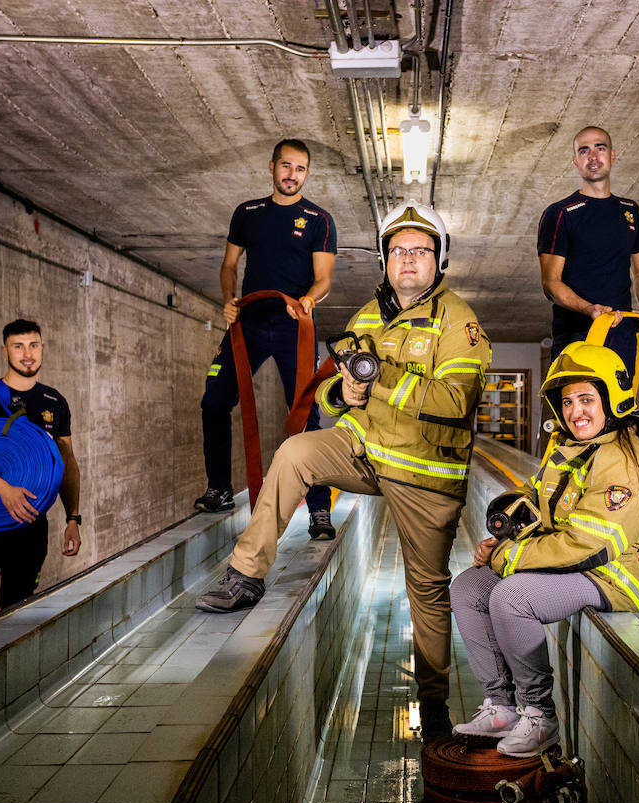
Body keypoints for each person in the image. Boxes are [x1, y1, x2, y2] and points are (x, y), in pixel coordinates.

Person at [196, 202, 491, 738]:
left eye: (419, 251)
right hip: (364, 449)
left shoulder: (459, 321)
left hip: (425, 473)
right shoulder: (367, 316)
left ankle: (436, 704)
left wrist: (375, 382)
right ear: (384, 260)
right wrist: (345, 389)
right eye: (397, 250)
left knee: (425, 588)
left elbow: (455, 400)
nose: (407, 259)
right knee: (296, 452)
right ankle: (246, 573)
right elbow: (332, 390)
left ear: (439, 260)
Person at [450, 342, 639, 756]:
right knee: (467, 589)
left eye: (587, 400)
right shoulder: (573, 444)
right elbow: (545, 499)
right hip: (583, 559)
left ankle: (540, 716)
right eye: (569, 401)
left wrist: (508, 557)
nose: (577, 411)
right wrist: (510, 525)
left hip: (619, 572)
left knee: (511, 596)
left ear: (612, 398)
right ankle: (501, 706)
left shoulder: (622, 458)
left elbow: (590, 546)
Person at [198, 138, 338, 541]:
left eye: (300, 169)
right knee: (214, 400)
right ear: (272, 166)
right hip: (249, 324)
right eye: (286, 166)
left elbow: (324, 278)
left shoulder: (318, 219)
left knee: (305, 417)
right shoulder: (248, 213)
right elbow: (229, 265)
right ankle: (220, 488)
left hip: (295, 326)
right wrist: (228, 301)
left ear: (306, 174)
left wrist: (309, 300)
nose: (292, 175)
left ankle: (318, 511)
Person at [0, 319, 82, 635]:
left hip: (30, 527)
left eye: (33, 345)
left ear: (42, 349)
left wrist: (73, 518)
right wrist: (4, 489)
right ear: (5, 350)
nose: (27, 354)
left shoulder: (54, 401)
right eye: (18, 346)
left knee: (20, 610)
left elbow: (67, 464)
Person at [537, 126, 639, 375]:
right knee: (574, 411)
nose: (593, 156)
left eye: (599, 148)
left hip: (622, 334)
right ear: (575, 161)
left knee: (619, 410)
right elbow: (551, 283)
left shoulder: (630, 210)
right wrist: (589, 309)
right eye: (584, 150)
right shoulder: (559, 214)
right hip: (576, 334)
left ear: (612, 156)